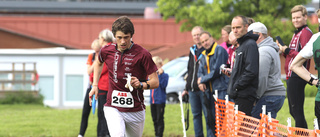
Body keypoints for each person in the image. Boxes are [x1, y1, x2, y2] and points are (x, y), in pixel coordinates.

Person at [89, 16, 159, 137]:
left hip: (135, 109)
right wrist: (95, 85)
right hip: (113, 107)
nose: (122, 41)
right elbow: (98, 63)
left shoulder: (143, 54)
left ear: (132, 35)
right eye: (119, 38)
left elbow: (155, 81)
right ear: (114, 36)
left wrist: (141, 85)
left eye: (126, 38)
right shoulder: (106, 50)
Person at [277, 5, 313, 128]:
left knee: (297, 112)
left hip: (298, 75)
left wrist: (287, 50)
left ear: (305, 17)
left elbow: (305, 55)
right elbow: (293, 56)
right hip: (291, 75)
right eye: (293, 18)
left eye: (298, 17)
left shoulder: (305, 33)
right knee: (294, 111)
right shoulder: (297, 33)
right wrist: (284, 51)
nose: (295, 20)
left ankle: (302, 134)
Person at [247, 22, 286, 119]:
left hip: (268, 95)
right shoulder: (270, 48)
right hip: (273, 95)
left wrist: (255, 98)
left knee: (259, 129)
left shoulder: (263, 51)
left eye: (250, 35)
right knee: (268, 129)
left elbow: (262, 77)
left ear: (259, 35)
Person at [290, 9, 320, 127]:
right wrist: (314, 81)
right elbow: (294, 66)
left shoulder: (315, 38)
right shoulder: (315, 38)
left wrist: (314, 81)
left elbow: (294, 65)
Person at [197, 31, 229, 136]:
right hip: (208, 92)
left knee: (221, 119)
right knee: (210, 119)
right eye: (202, 42)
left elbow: (217, 71)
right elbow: (200, 71)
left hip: (221, 89)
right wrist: (201, 81)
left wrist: (202, 79)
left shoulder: (220, 50)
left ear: (211, 38)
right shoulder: (203, 55)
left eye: (206, 40)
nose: (205, 43)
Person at [227, 15, 259, 116]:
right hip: (239, 94)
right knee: (239, 129)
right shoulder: (242, 45)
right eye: (233, 28)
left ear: (246, 27)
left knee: (242, 129)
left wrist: (237, 86)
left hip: (245, 95)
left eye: (238, 27)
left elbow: (251, 71)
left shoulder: (250, 44)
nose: (235, 31)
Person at [181, 26, 207, 137]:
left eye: (198, 34)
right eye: (194, 35)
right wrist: (186, 88)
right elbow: (190, 70)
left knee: (207, 115)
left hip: (203, 89)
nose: (196, 37)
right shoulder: (192, 51)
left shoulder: (206, 50)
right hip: (192, 90)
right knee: (196, 116)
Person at [78, 39, 101, 137]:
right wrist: (97, 62)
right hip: (91, 86)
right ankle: (81, 134)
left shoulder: (105, 56)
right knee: (85, 112)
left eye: (98, 51)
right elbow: (89, 71)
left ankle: (101, 134)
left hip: (102, 87)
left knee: (102, 113)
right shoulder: (91, 56)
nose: (96, 53)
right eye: (95, 51)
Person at [150, 56, 169, 137]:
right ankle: (156, 134)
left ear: (161, 65)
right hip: (152, 101)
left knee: (159, 119)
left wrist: (160, 75)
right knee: (154, 119)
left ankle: (159, 135)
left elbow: (163, 85)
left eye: (157, 66)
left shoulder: (165, 76)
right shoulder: (152, 76)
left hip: (160, 101)